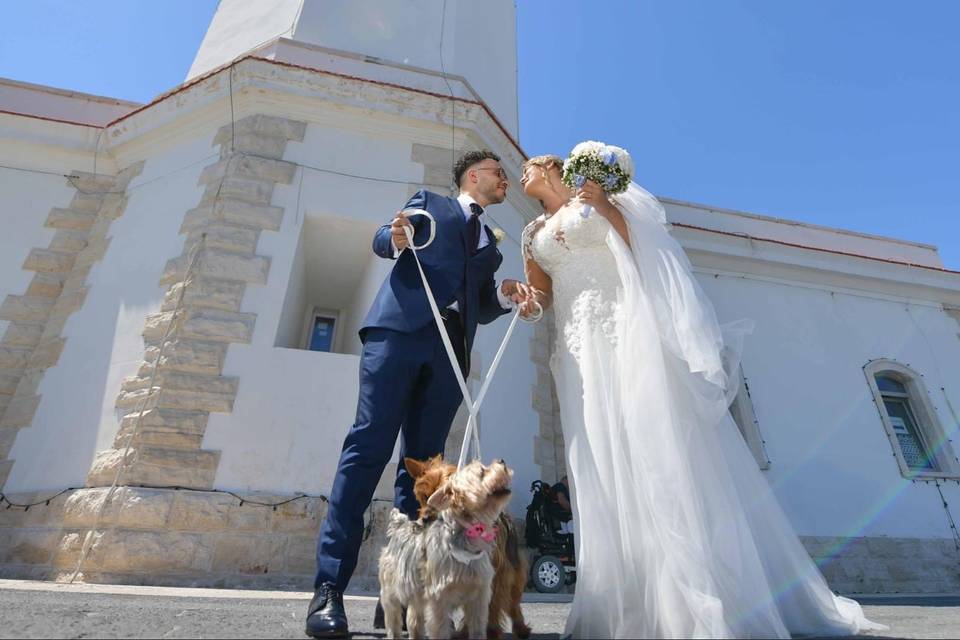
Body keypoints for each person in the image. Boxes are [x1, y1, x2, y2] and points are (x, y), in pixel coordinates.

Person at [517, 153, 884, 638]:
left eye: (530, 166)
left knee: (656, 447)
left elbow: (642, 250)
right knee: (600, 459)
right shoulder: (530, 235)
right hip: (578, 348)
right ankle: (622, 600)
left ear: (554, 169)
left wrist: (605, 206)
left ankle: (691, 598)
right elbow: (541, 293)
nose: (522, 172)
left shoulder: (595, 202)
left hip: (627, 330)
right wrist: (527, 303)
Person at [305, 150, 533, 639]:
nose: (505, 181)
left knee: (426, 474)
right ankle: (329, 590)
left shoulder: (491, 245)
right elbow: (388, 238)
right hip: (399, 335)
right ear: (474, 176)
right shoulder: (431, 203)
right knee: (367, 448)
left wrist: (503, 293)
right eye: (498, 173)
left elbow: (481, 301)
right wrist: (395, 236)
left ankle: (401, 600)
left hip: (451, 353)